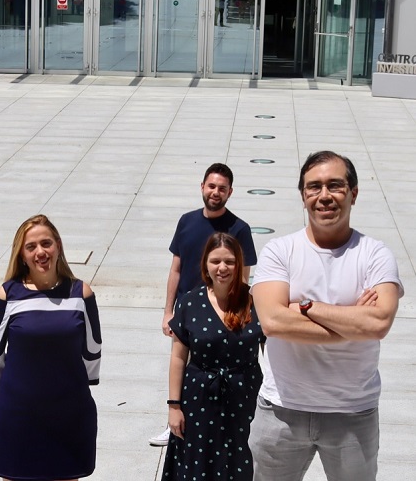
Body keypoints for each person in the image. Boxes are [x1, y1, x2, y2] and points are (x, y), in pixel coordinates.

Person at [249, 150, 404, 481]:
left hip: (353, 413)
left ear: (353, 193)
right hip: (280, 410)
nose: (324, 196)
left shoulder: (375, 254)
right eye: (313, 186)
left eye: (335, 185)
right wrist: (352, 322)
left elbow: (378, 323)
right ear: (303, 195)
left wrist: (305, 307)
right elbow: (273, 322)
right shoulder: (280, 251)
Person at [0, 214, 102, 481]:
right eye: (31, 247)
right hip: (17, 414)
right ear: (21, 255)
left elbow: (93, 350)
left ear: (58, 245)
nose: (40, 252)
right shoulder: (7, 294)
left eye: (46, 243)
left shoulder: (81, 294)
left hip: (69, 413)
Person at [150, 163, 257, 446]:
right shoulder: (186, 222)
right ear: (202, 187)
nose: (215, 192)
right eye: (211, 186)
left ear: (230, 192)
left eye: (222, 188)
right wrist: (168, 311)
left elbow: (243, 279)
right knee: (182, 365)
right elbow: (175, 269)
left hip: (223, 314)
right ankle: (174, 418)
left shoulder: (239, 229)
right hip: (189, 314)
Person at [161, 232, 265, 480]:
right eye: (215, 261)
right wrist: (174, 407)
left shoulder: (255, 301)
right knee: (199, 464)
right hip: (199, 400)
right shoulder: (189, 302)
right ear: (205, 264)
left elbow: (273, 354)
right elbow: (178, 358)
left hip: (245, 397)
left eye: (229, 261)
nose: (222, 268)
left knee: (241, 462)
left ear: (239, 263)